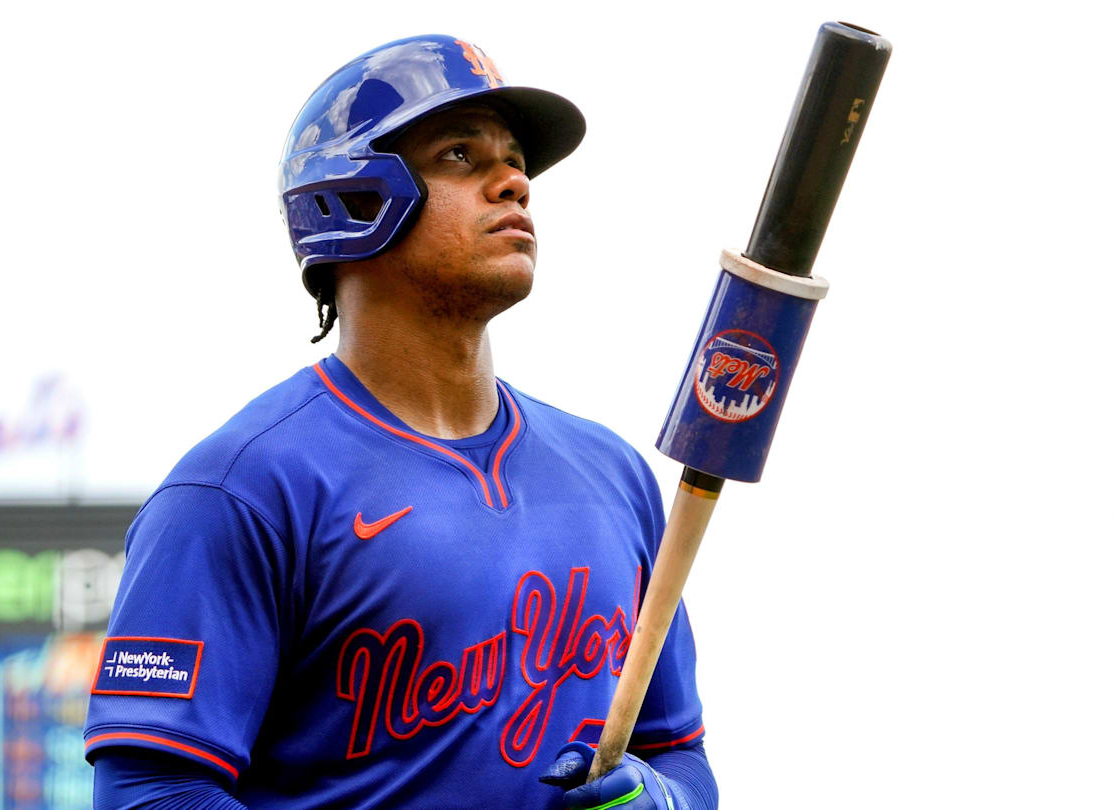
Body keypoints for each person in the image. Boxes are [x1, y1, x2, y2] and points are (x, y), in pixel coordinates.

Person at [84, 34, 718, 809]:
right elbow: (151, 795)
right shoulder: (239, 489)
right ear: (354, 197)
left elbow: (679, 754)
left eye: (515, 159)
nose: (514, 181)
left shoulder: (612, 475)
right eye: (461, 155)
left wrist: (663, 800)